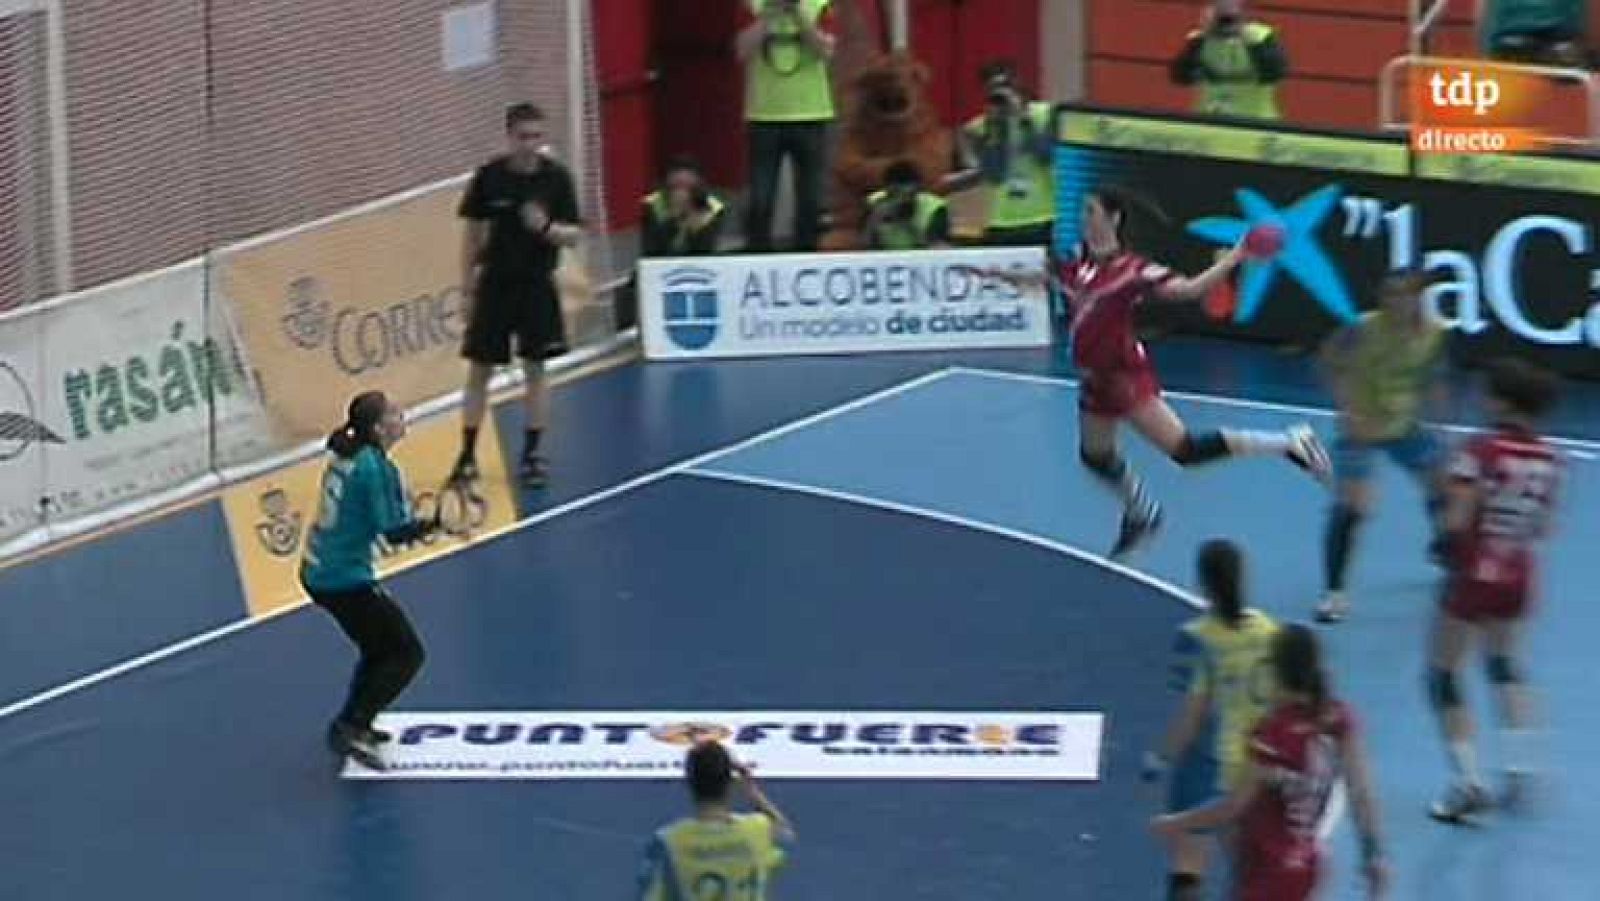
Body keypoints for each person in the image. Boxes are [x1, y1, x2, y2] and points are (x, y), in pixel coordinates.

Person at [995, 187, 1330, 559]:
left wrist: (1235, 257)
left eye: (1091, 212)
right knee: (1095, 455)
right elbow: (1046, 279)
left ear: (1113, 218)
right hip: (1094, 382)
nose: (1083, 219)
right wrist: (996, 275)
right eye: (1083, 212)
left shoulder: (1134, 270)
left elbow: (1188, 291)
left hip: (1125, 378)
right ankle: (1141, 512)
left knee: (1185, 450)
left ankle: (1288, 442)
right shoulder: (1079, 265)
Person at [1153, 624, 1389, 901]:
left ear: (1274, 673)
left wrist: (1176, 822)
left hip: (1267, 870)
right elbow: (1362, 793)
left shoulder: (1273, 735)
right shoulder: (1338, 718)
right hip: (1307, 863)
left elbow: (1232, 806)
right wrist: (1374, 853)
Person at [1425, 357, 1563, 823]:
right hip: (1518, 572)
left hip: (1473, 573)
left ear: (1500, 399)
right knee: (1504, 665)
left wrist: (1445, 521)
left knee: (1442, 672)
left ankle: (1467, 781)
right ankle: (1519, 764)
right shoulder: (1548, 457)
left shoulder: (1480, 451)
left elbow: (1457, 519)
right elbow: (1544, 525)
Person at [301, 391, 437, 770]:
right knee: (407, 653)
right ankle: (351, 725)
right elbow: (393, 532)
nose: (402, 414)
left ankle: (356, 719)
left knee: (379, 649)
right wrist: (433, 524)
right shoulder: (375, 468)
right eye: (395, 412)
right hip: (342, 578)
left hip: (319, 569)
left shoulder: (348, 456)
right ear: (379, 428)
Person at [452, 102, 584, 490]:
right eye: (523, 137)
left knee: (536, 370)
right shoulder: (489, 178)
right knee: (479, 371)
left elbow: (574, 234)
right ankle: (467, 454)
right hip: (495, 285)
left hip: (537, 285)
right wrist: (466, 288)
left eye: (536, 137)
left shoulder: (557, 180)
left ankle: (532, 454)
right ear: (509, 137)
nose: (530, 145)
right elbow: (471, 234)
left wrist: (545, 228)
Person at [1144, 540, 1279, 900]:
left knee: (1188, 861)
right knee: (1249, 865)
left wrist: (1161, 757)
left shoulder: (1196, 639)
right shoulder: (1269, 631)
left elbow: (1193, 713)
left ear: (1203, 584)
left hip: (1206, 765)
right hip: (1256, 763)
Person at [1316, 270, 1450, 623]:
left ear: (1418, 299)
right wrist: (1347, 410)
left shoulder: (1435, 333)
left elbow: (1432, 377)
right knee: (1352, 507)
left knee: (1443, 485)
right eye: (1387, 294)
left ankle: (1443, 547)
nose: (1392, 302)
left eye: (1401, 295)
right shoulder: (1363, 328)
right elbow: (1329, 359)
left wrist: (1437, 423)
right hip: (1360, 428)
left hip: (1404, 424)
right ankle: (1334, 593)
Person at [735, 0, 837, 253]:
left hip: (811, 111)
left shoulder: (819, 4)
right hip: (764, 113)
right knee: (761, 197)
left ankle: (806, 254)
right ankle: (758, 255)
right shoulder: (754, 5)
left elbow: (826, 50)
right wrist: (769, 16)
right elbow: (741, 50)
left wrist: (798, 15)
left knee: (811, 198)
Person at [638, 739, 795, 900]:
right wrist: (752, 791)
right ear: (730, 783)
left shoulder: (669, 841)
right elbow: (785, 833)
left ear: (689, 782)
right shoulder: (757, 831)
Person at [947, 61, 1056, 247]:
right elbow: (994, 175)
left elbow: (1047, 155)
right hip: (1000, 221)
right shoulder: (978, 129)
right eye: (994, 89)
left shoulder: (1046, 114)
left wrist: (1022, 119)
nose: (1002, 93)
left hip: (1043, 217)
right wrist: (996, 132)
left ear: (1018, 84)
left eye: (1006, 85)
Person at [1170, 0, 1287, 121]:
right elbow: (1179, 77)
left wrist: (1250, 40)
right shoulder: (1200, 41)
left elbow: (1275, 73)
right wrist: (1200, 39)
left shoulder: (1260, 37)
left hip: (1255, 121)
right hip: (1208, 120)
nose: (1226, 24)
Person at [863, 160, 952, 251]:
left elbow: (939, 247)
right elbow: (866, 244)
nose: (901, 199)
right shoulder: (874, 203)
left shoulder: (935, 208)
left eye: (908, 195)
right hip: (886, 258)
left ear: (918, 189)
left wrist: (907, 222)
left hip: (921, 258)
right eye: (895, 194)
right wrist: (875, 220)